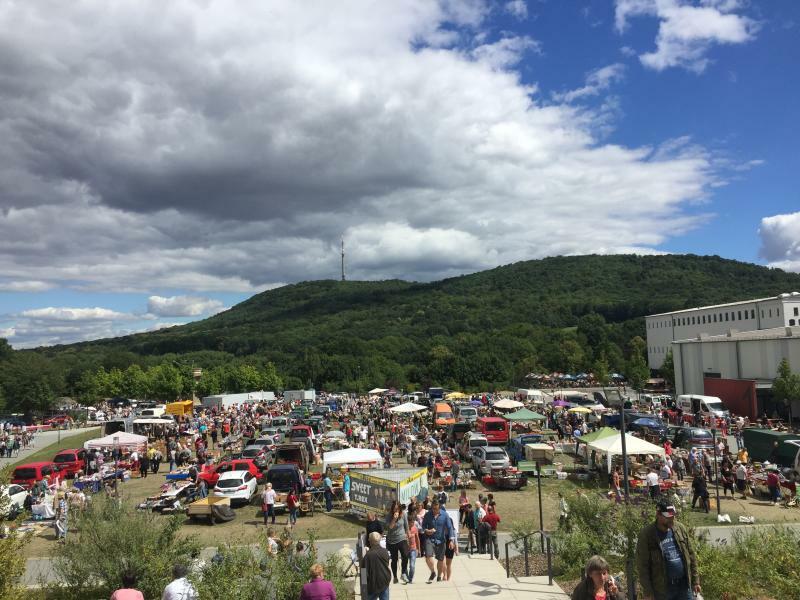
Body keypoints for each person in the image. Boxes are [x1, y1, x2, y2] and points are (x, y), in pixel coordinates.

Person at [635, 501, 700, 600]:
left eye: (672, 516)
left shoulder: (680, 528)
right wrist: (648, 591)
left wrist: (695, 581)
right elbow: (642, 566)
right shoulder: (647, 535)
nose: (671, 519)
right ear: (658, 515)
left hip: (684, 586)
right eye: (667, 517)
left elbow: (691, 555)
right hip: (663, 591)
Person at [421, 500, 455, 583]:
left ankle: (439, 576)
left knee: (440, 560)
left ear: (439, 508)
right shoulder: (428, 515)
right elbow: (423, 526)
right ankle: (433, 572)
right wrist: (427, 530)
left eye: (436, 509)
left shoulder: (445, 515)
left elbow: (450, 527)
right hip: (430, 538)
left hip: (441, 540)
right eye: (433, 509)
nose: (434, 510)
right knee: (428, 556)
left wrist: (451, 540)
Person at [360, 531, 391, 600]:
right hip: (384, 581)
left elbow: (363, 574)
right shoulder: (385, 551)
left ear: (370, 541)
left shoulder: (368, 556)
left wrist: (364, 589)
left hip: (373, 585)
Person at [384, 500, 410, 584]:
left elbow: (406, 526)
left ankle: (403, 573)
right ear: (392, 509)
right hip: (392, 540)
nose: (396, 510)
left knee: (405, 555)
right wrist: (394, 518)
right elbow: (390, 527)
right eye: (394, 509)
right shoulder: (388, 516)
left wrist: (408, 536)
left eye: (397, 509)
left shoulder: (404, 514)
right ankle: (395, 576)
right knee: (394, 559)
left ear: (399, 508)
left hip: (402, 538)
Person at [407, 507, 421, 584]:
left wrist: (419, 550)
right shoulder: (404, 529)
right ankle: (405, 576)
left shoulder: (415, 528)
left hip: (413, 549)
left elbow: (417, 539)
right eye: (410, 523)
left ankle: (410, 579)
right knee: (405, 565)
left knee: (412, 565)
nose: (411, 524)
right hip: (405, 549)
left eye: (412, 522)